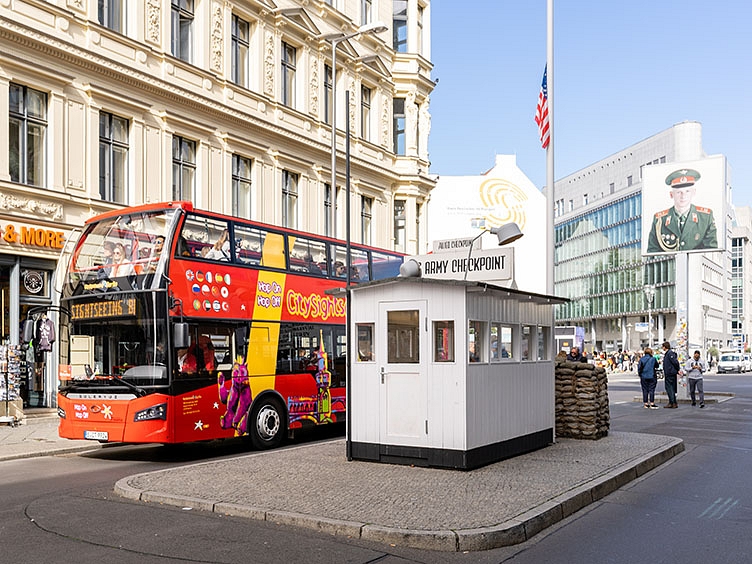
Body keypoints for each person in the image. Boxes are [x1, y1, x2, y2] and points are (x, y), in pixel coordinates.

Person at [646, 168, 718, 253]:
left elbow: (711, 252)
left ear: (694, 192)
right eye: (678, 192)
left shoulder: (705, 217)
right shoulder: (660, 219)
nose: (683, 196)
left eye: (687, 191)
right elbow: (652, 253)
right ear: (671, 194)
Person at [661, 341, 681, 408]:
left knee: (669, 388)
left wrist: (677, 369)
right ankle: (673, 402)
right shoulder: (668, 353)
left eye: (662, 347)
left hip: (670, 373)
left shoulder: (670, 353)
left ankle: (672, 402)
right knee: (671, 388)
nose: (662, 348)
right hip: (670, 372)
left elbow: (675, 362)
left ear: (665, 347)